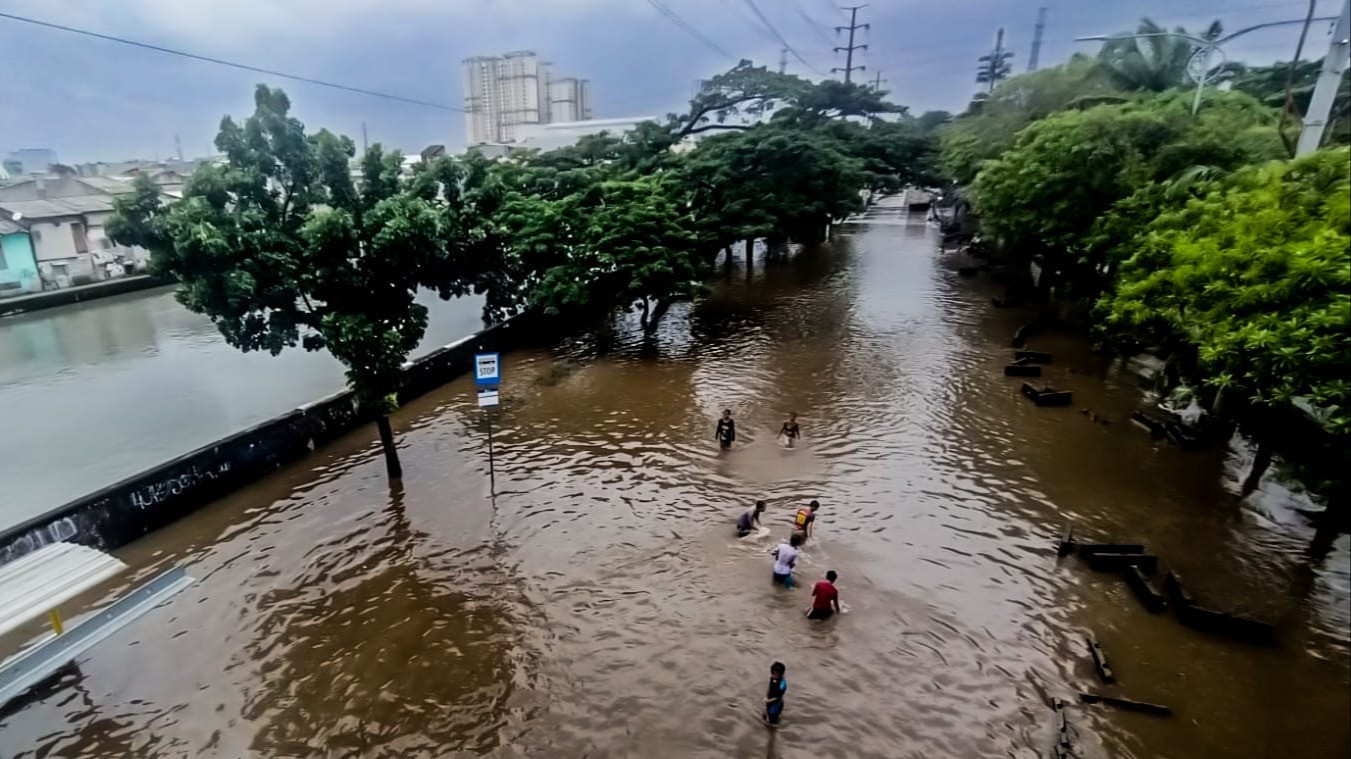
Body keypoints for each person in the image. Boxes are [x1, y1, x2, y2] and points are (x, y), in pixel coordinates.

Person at [763, 661, 788, 727]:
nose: (772, 675)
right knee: (764, 716)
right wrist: (767, 696)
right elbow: (770, 688)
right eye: (772, 673)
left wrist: (768, 700)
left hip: (776, 705)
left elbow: (777, 697)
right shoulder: (772, 678)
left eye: (774, 674)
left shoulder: (782, 685)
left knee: (770, 723)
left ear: (781, 674)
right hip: (770, 701)